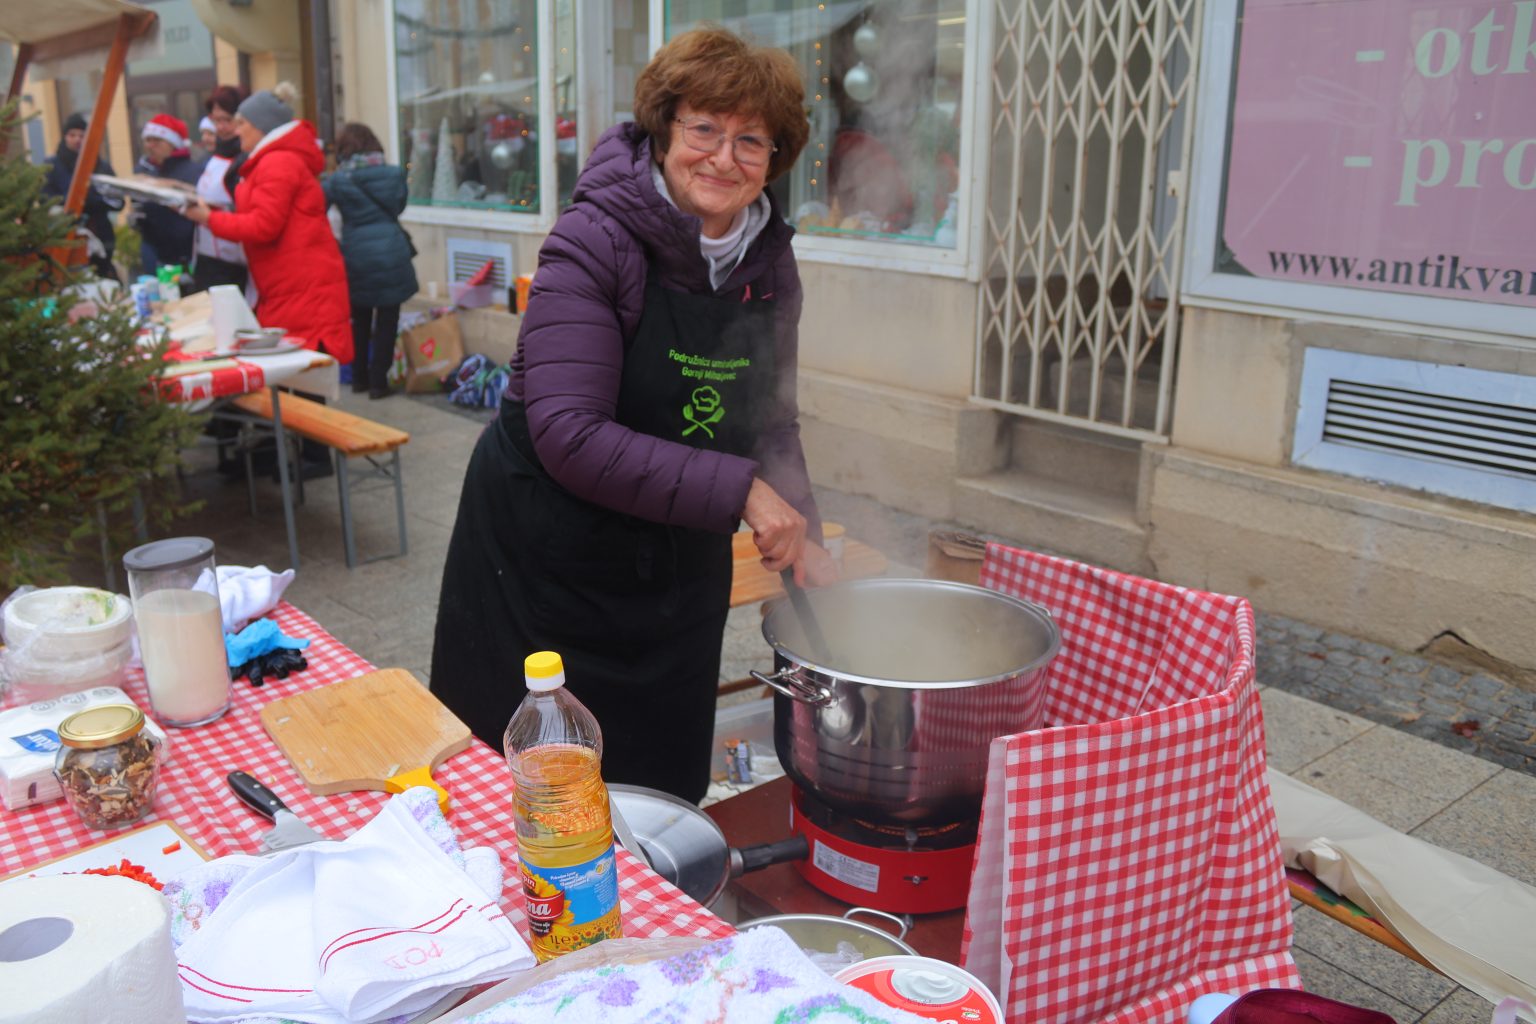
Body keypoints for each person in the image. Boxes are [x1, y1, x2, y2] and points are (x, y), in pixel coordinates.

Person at [429, 27, 838, 805]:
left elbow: (770, 418)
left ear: (775, 157)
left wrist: (806, 537)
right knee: (543, 795)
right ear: (664, 129)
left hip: (676, 562)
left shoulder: (767, 263)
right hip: (548, 559)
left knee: (657, 786)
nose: (723, 157)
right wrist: (745, 493)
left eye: (750, 140)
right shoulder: (597, 237)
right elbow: (569, 434)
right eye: (704, 129)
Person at [180, 87, 352, 366]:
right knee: (295, 380)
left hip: (302, 291)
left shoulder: (277, 161)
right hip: (292, 288)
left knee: (301, 383)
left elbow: (262, 226)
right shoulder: (271, 160)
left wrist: (207, 218)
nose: (236, 132)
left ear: (261, 127)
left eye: (242, 124)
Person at [322, 122, 418, 399]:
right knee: (388, 319)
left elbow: (319, 208)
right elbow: (398, 207)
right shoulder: (394, 174)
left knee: (360, 319)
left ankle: (359, 378)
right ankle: (379, 382)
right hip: (391, 251)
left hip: (356, 254)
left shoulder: (337, 180)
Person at [42, 112, 123, 282]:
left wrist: (91, 202)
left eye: (82, 135)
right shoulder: (52, 166)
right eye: (72, 135)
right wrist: (74, 202)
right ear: (65, 137)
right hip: (66, 237)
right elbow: (46, 199)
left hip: (101, 233)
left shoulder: (100, 166)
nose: (77, 139)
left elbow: (117, 200)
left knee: (102, 276)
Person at [190, 85, 250, 293]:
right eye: (216, 121)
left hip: (235, 261)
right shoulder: (214, 156)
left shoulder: (245, 159)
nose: (221, 127)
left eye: (227, 120)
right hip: (207, 253)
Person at [134, 113, 202, 277]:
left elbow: (197, 198)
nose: (150, 146)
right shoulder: (143, 169)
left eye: (157, 141)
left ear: (173, 143)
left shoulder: (192, 170)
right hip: (152, 248)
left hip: (183, 252)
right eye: (147, 140)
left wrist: (162, 186)